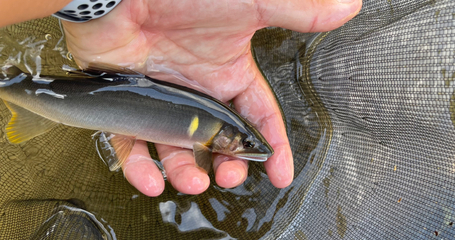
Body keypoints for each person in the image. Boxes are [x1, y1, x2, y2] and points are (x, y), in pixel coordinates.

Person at [0, 0, 362, 196]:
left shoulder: (211, 132)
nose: (251, 148)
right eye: (244, 142)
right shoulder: (208, 138)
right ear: (220, 140)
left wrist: (98, 5)